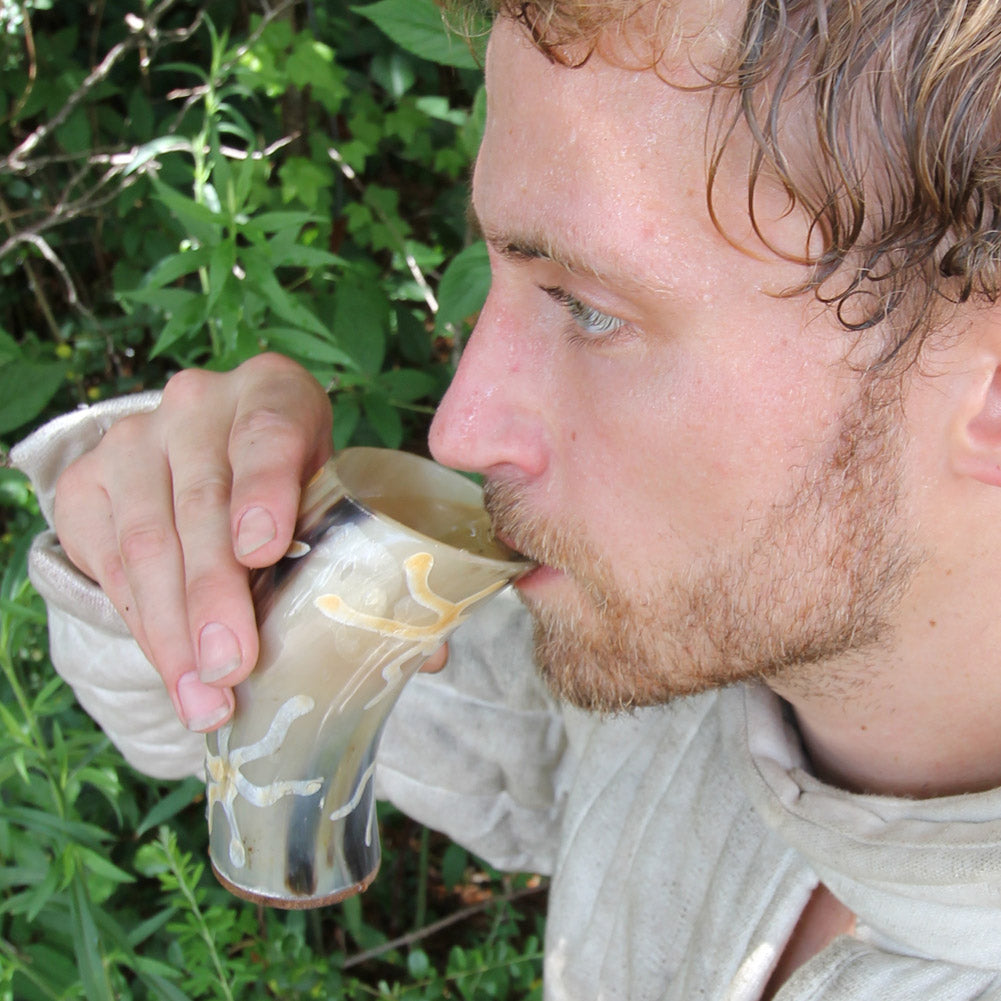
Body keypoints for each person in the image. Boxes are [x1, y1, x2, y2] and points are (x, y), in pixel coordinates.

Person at [13, 0, 1001, 997]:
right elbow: (203, 712)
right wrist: (176, 532)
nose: (458, 426)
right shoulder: (691, 682)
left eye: (588, 308)